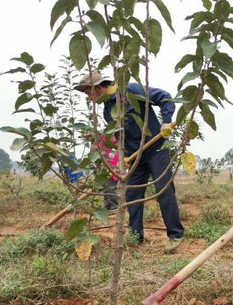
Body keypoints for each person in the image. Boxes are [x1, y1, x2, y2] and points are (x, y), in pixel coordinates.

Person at [74, 71, 185, 254]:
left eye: (88, 92)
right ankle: (136, 236)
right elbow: (119, 135)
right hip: (135, 157)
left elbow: (164, 97)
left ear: (99, 87)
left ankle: (175, 234)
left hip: (156, 148)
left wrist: (166, 122)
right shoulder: (107, 110)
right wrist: (123, 155)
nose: (88, 97)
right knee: (132, 196)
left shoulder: (129, 89)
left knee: (163, 189)